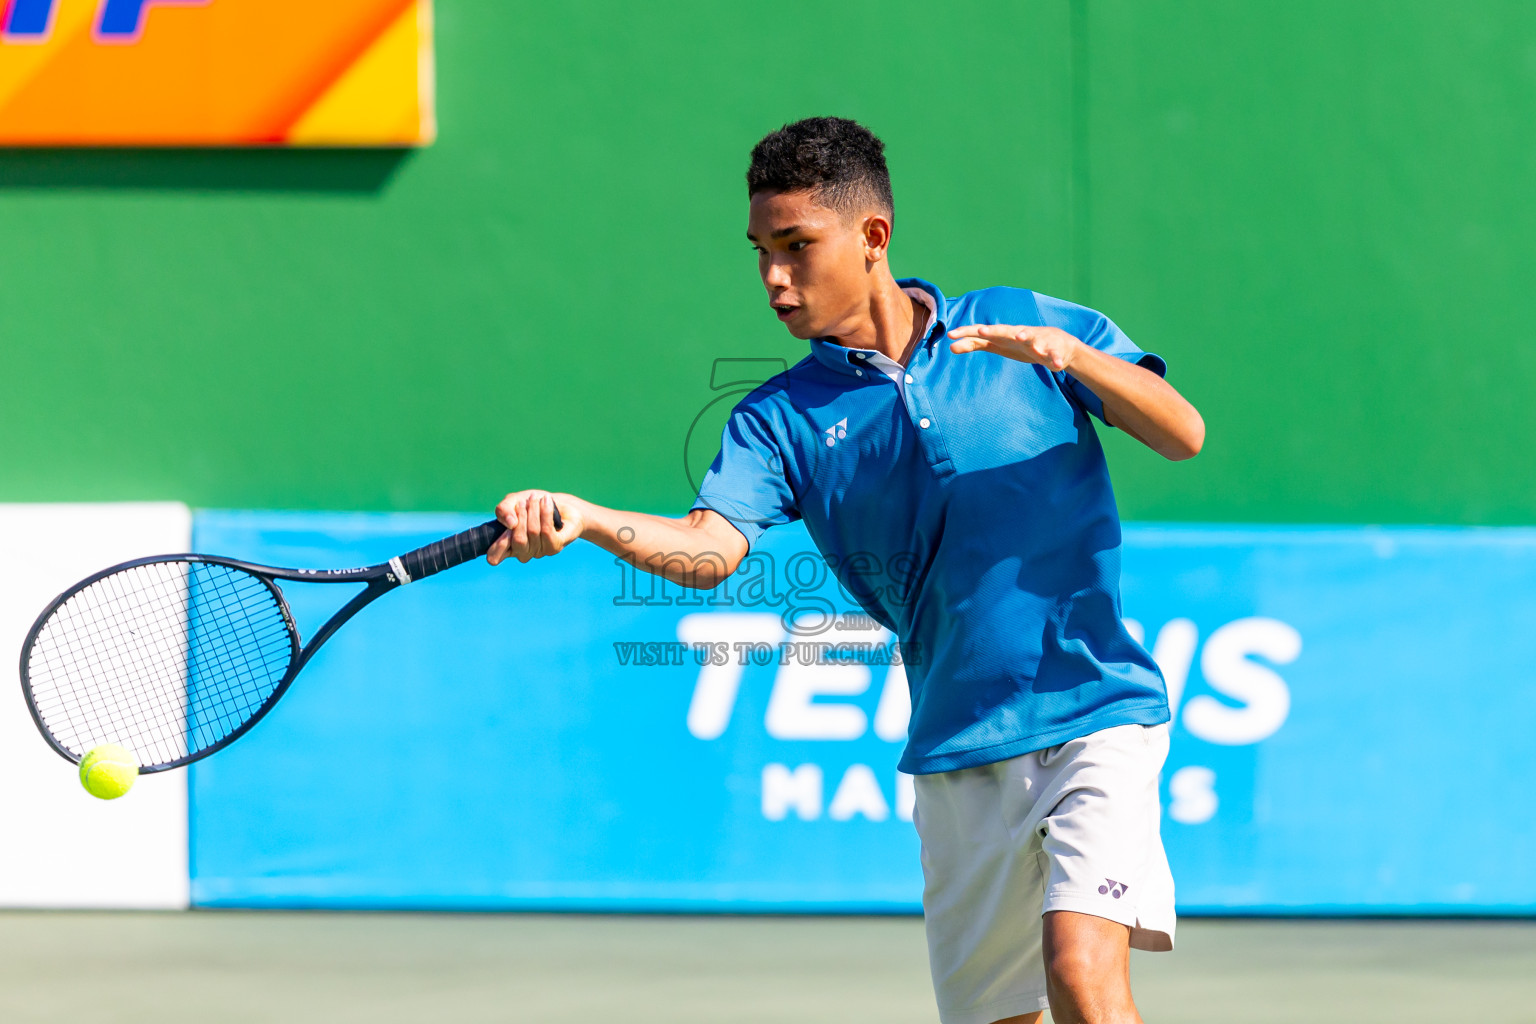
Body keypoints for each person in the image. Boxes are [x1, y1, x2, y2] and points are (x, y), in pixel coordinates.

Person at [487, 116, 1204, 1024]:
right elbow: (708, 552)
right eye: (760, 252)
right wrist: (588, 521)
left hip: (1096, 714)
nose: (775, 279)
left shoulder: (1023, 330)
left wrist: (1071, 356)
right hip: (958, 754)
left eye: (796, 247)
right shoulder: (777, 419)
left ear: (873, 238)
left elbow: (1183, 434)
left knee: (1081, 973)